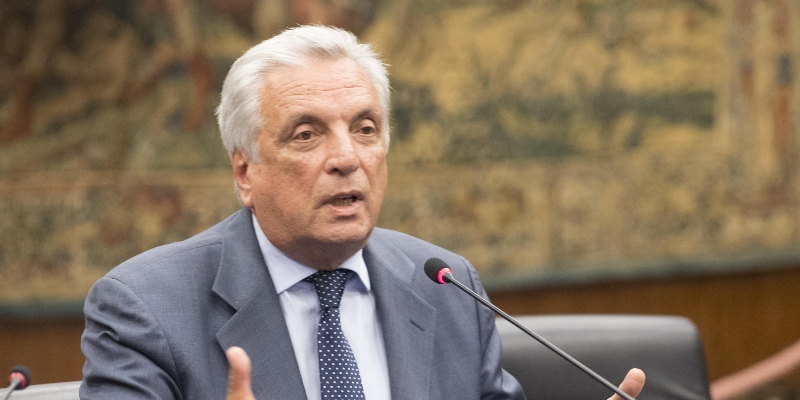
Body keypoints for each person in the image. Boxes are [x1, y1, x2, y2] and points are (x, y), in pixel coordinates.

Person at [80, 25, 645, 399]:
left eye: (365, 129)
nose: (347, 158)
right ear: (245, 171)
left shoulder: (449, 285)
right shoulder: (145, 309)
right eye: (307, 135)